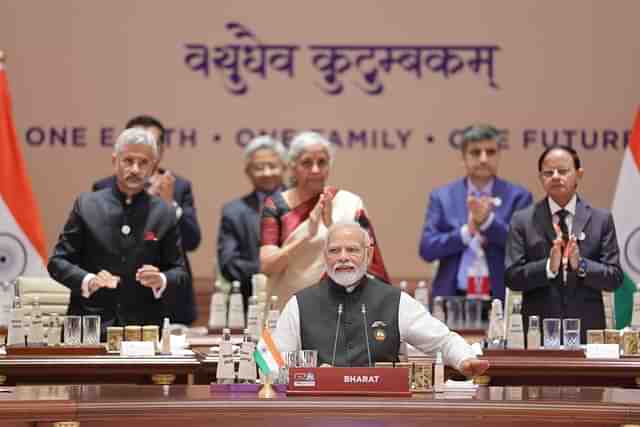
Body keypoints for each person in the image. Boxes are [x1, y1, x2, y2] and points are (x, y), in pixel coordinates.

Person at [274, 221, 489, 376]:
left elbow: (443, 340)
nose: (343, 257)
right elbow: (273, 362)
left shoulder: (396, 301)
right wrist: (306, 372)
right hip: (318, 412)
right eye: (334, 250)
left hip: (381, 411)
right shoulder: (299, 304)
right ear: (325, 257)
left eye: (352, 250)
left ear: (368, 255)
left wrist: (464, 359)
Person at [48, 128, 189, 332]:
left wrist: (161, 279)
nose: (135, 169)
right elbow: (57, 263)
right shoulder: (87, 204)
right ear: (115, 161)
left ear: (153, 167)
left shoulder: (164, 213)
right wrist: (89, 280)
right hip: (88, 326)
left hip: (142, 329)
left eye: (143, 163)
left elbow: (180, 273)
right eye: (128, 160)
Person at [505, 146, 623, 341]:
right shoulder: (522, 220)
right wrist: (548, 268)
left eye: (563, 171)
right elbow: (511, 277)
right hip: (538, 333)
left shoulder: (601, 220)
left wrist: (582, 265)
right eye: (548, 172)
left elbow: (615, 278)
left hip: (588, 331)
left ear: (579, 174)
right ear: (540, 177)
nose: (556, 176)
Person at [260, 131, 389, 308]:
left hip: (341, 307)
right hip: (288, 308)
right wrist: (308, 234)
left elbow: (368, 260)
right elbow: (268, 267)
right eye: (306, 163)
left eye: (322, 162)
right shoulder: (276, 205)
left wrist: (331, 226)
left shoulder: (349, 203)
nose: (315, 170)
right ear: (292, 166)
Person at [92, 115, 201, 325]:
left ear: (160, 151)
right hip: (119, 295)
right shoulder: (103, 189)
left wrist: (170, 206)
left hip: (169, 297)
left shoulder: (178, 186)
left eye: (151, 142)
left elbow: (192, 241)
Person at [419, 124, 533, 300]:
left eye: (490, 152)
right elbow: (427, 249)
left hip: (501, 299)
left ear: (499, 155)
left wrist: (488, 223)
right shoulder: (442, 197)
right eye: (475, 152)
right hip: (453, 299)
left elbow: (524, 248)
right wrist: (467, 232)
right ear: (463, 158)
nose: (483, 159)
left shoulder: (519, 197)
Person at [217, 135, 287, 309]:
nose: (267, 173)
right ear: (248, 171)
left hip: (297, 301)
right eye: (259, 167)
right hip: (250, 305)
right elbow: (228, 264)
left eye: (272, 166)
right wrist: (272, 269)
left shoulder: (303, 204)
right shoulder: (233, 212)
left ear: (284, 167)